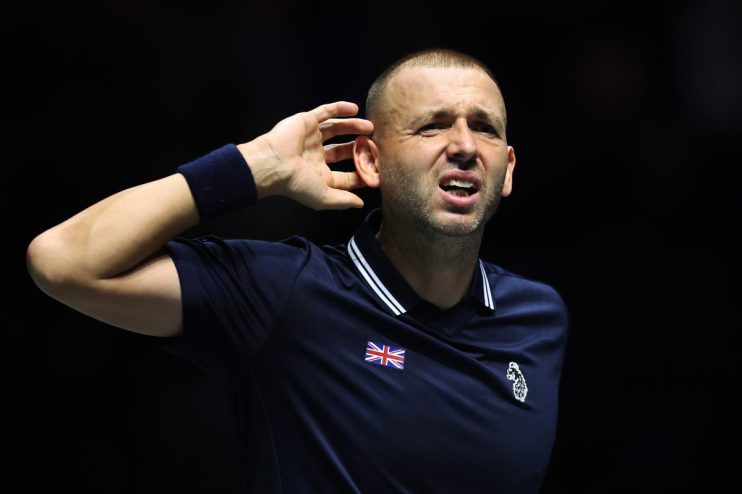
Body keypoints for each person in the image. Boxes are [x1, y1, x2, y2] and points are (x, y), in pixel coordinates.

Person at [26, 48, 569, 493]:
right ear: (370, 160)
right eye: (432, 126)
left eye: (485, 128)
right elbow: (63, 260)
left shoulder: (538, 318)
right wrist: (251, 165)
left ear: (507, 170)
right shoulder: (286, 293)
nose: (465, 146)